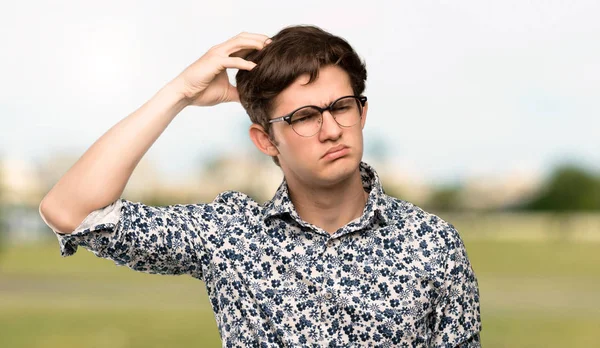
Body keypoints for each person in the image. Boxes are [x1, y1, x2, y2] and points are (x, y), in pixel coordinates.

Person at [39, 25, 482, 347]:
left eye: (341, 107)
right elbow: (70, 211)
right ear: (265, 139)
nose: (331, 130)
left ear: (361, 113)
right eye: (304, 117)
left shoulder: (432, 244)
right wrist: (178, 92)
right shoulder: (230, 236)